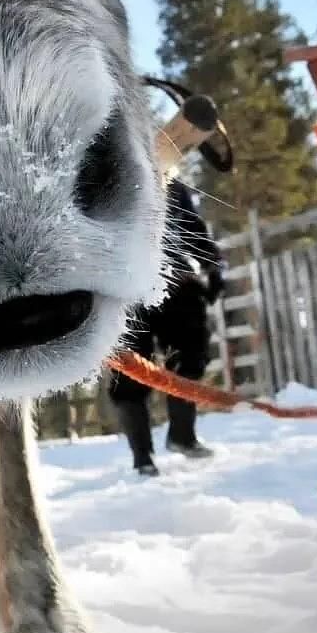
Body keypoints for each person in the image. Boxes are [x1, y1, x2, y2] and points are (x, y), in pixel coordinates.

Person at [108, 177, 224, 476]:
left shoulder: (171, 183)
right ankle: (142, 458)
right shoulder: (100, 174)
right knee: (129, 372)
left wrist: (212, 266)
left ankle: (183, 435)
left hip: (176, 282)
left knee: (189, 358)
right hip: (126, 288)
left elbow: (193, 227)